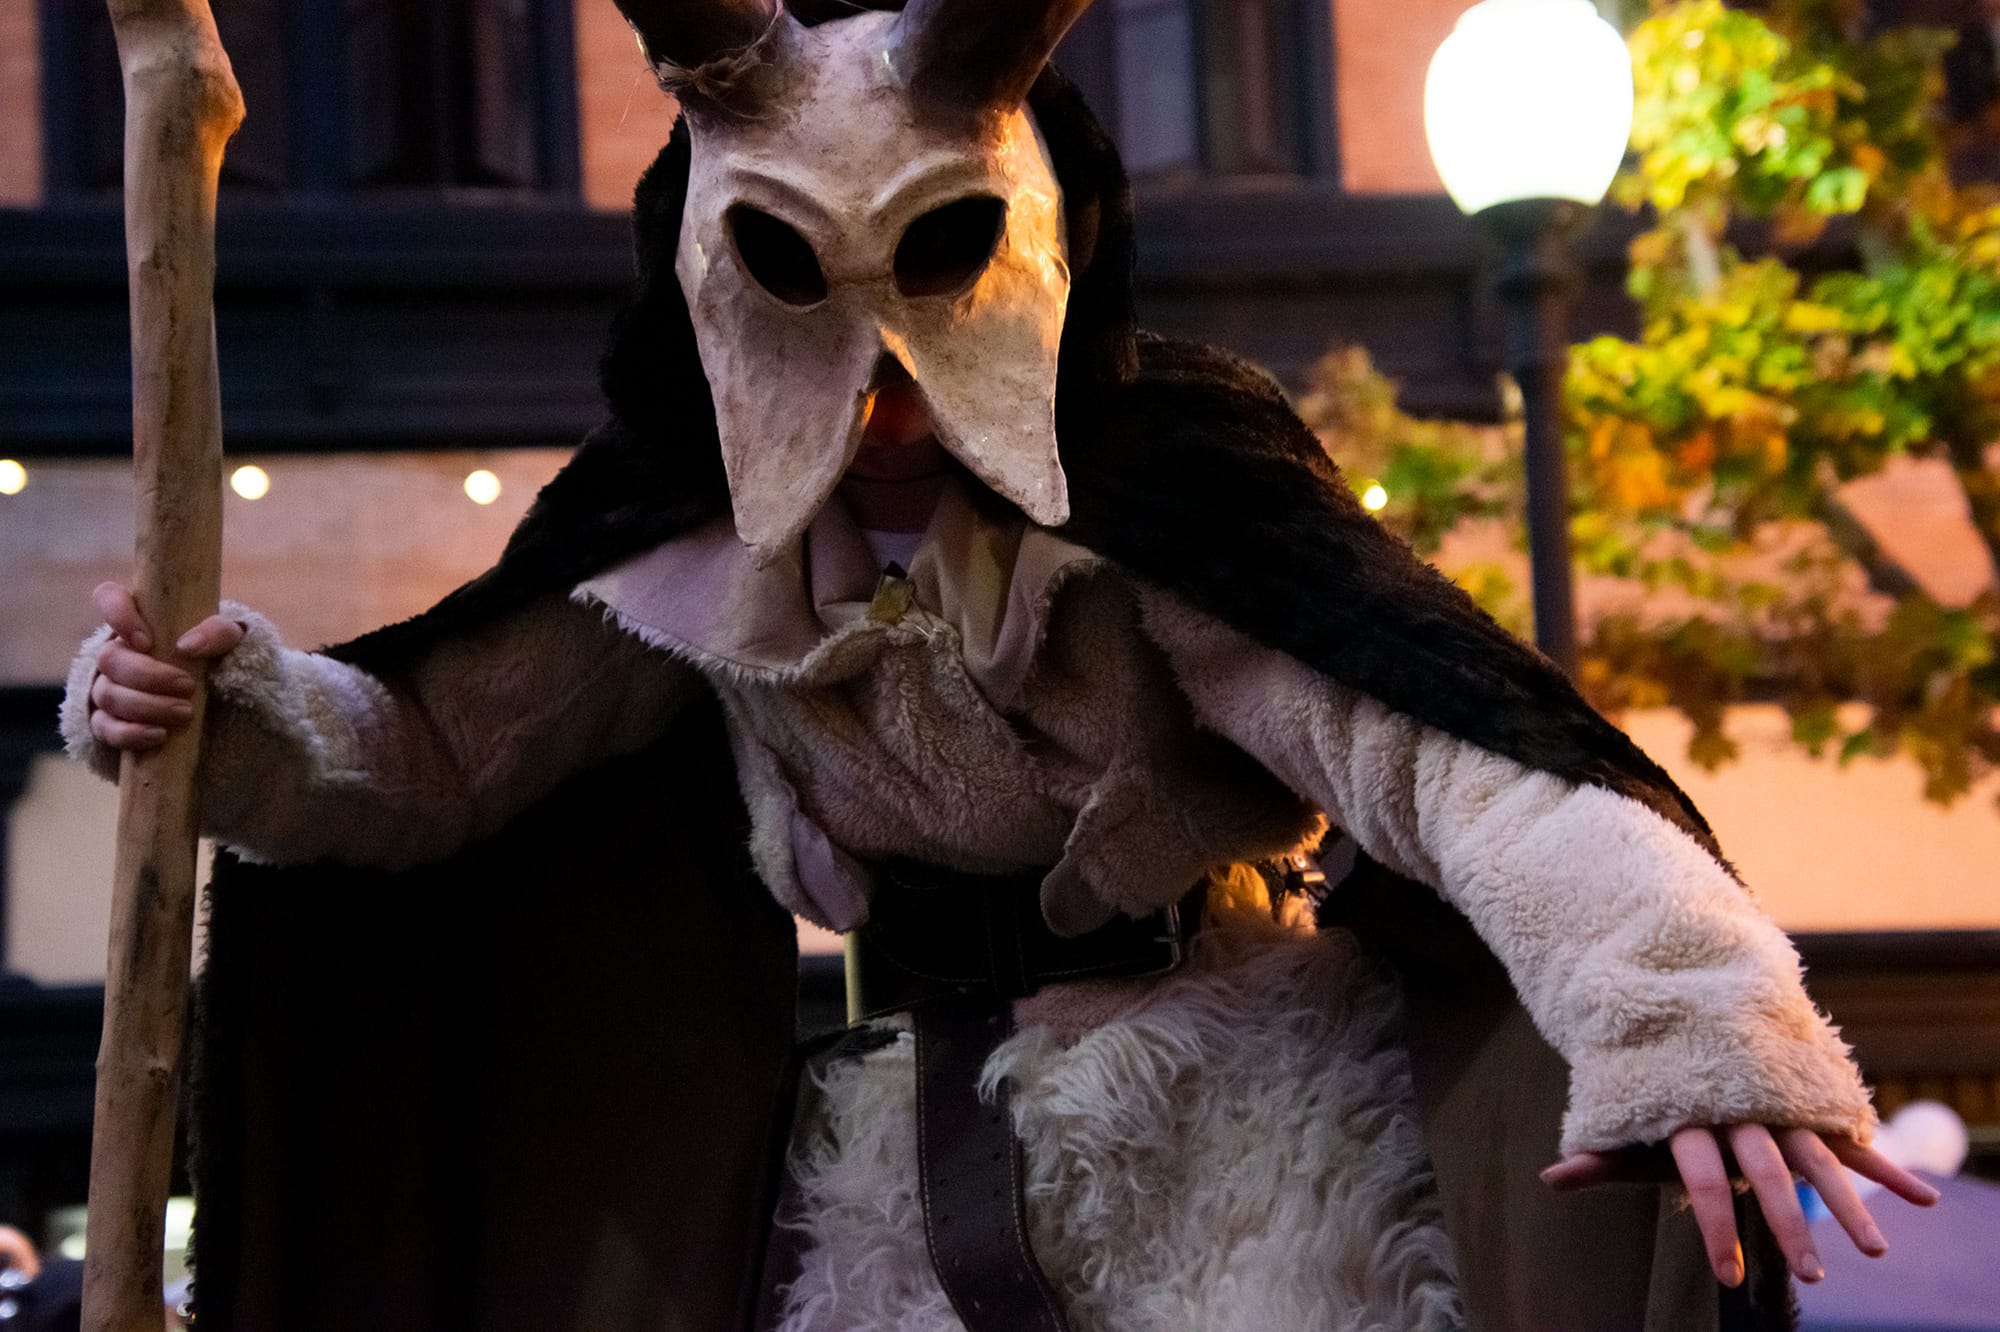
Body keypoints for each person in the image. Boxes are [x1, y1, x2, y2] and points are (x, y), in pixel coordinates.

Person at [64, 1, 1936, 1328]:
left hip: (1239, 1115)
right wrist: (221, 720)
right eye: (805, 295)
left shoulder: (1170, 503)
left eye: (936, 280)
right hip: (889, 1145)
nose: (884, 406)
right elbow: (432, 749)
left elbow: (1448, 762)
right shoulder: (679, 554)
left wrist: (1687, 1018)